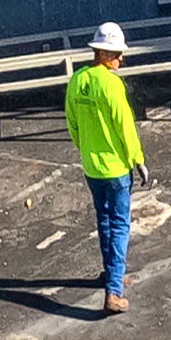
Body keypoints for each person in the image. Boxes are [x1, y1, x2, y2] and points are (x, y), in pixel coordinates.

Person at [64, 23, 145, 315]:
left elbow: (71, 122)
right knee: (121, 223)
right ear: (107, 54)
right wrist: (138, 159)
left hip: (92, 168)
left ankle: (111, 272)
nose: (121, 60)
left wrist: (85, 150)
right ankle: (113, 291)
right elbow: (125, 127)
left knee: (105, 221)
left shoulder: (77, 80)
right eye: (118, 55)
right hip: (116, 169)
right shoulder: (111, 84)